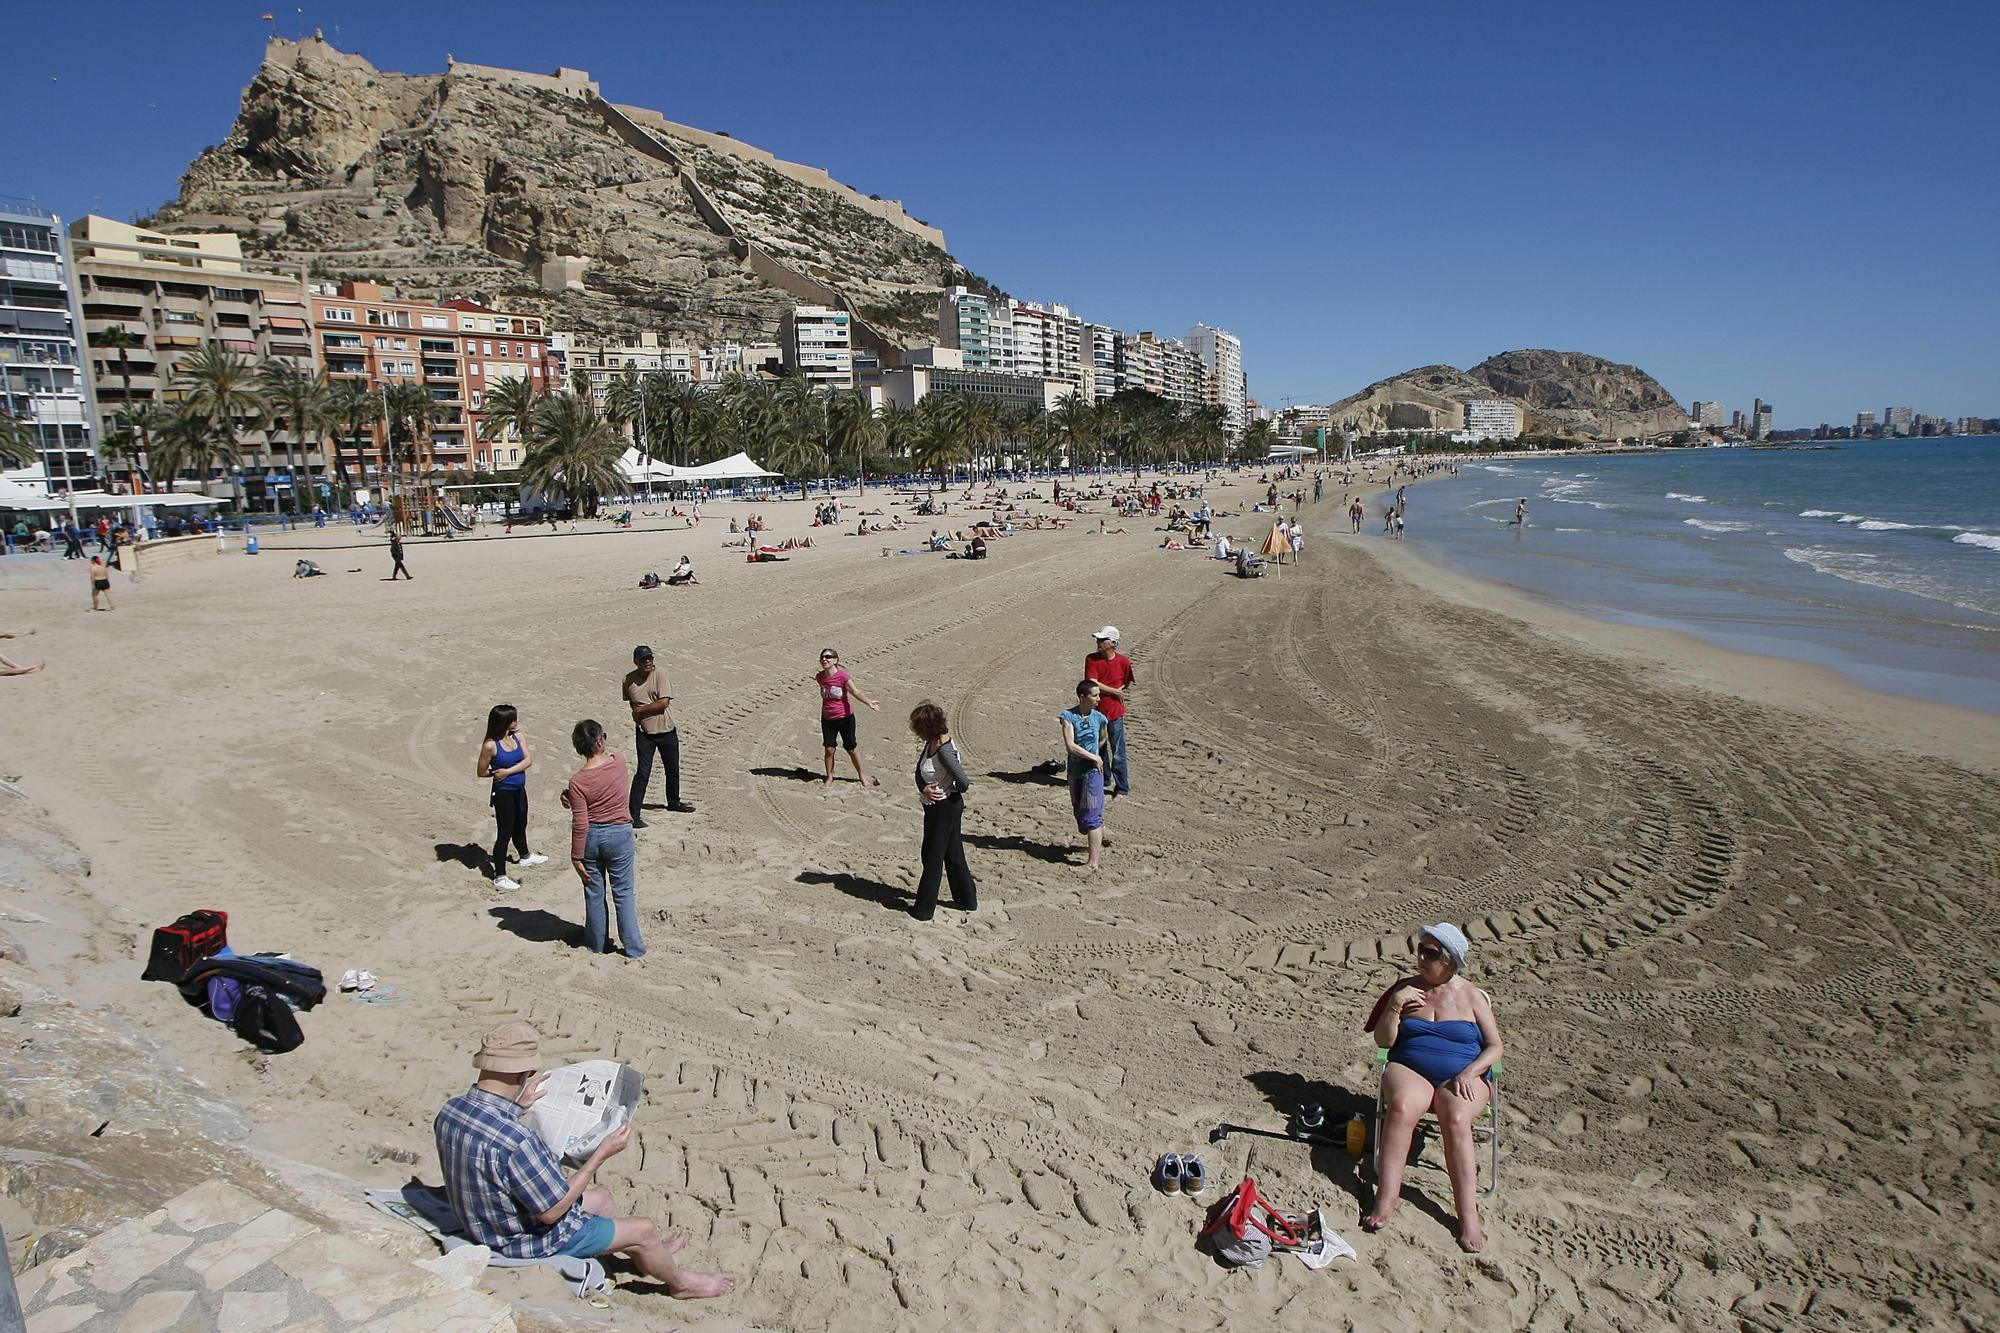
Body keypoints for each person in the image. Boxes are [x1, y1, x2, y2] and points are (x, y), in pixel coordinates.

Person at [435, 1022, 731, 1298]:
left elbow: (490, 1141)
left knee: (602, 1198)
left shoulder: (452, 1110)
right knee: (645, 1228)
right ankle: (680, 1283)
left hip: (485, 1222)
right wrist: (599, 1155)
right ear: (519, 1075)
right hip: (523, 1240)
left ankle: (645, 1254)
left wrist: (517, 1106)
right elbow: (551, 1212)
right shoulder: (516, 1141)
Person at [1362, 923, 1503, 1252]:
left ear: (1452, 961)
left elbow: (1496, 1046)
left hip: (1463, 1074)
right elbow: (1383, 1042)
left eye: (1431, 953)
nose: (1421, 957)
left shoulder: (1472, 996)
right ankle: (1387, 1197)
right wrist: (1395, 1004)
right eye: (1420, 949)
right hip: (1410, 1067)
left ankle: (1468, 1215)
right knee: (1400, 1107)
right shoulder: (1406, 990)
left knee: (1454, 1117)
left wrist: (1471, 1072)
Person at [561, 719, 644, 957]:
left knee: (594, 893)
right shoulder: (618, 762)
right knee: (623, 892)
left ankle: (596, 945)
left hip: (591, 838)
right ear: (599, 742)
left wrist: (576, 856)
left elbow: (580, 821)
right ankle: (634, 948)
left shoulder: (577, 782)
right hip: (618, 834)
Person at [908, 701, 976, 920]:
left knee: (933, 857)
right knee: (953, 854)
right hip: (938, 807)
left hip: (945, 808)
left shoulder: (945, 751)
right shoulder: (931, 743)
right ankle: (967, 899)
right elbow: (919, 772)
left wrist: (946, 791)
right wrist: (924, 788)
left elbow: (964, 783)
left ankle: (924, 909)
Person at [478, 704, 548, 891]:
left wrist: (507, 771)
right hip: (503, 793)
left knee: (521, 823)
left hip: (519, 789)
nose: (517, 722)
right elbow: (481, 771)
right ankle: (500, 875)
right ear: (504, 723)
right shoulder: (491, 745)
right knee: (505, 832)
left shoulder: (518, 736)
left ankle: (525, 856)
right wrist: (496, 774)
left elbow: (528, 760)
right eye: (513, 719)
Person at [624, 646, 693, 825]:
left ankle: (674, 802)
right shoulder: (628, 680)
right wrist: (637, 713)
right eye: (643, 659)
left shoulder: (661, 674)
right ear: (635, 662)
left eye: (650, 658)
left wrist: (640, 711)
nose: (648, 662)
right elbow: (631, 700)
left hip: (666, 731)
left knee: (672, 770)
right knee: (643, 773)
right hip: (645, 734)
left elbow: (663, 703)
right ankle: (634, 814)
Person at [1060, 680, 1111, 875]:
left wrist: (1095, 755)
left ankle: (1092, 863)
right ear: (1083, 697)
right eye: (1095, 695)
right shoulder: (1068, 716)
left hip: (1093, 773)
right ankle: (1099, 834)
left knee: (1091, 816)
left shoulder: (1099, 718)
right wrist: (1093, 755)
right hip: (1076, 770)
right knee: (1080, 813)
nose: (1099, 699)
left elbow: (1103, 737)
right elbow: (1070, 745)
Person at [813, 648, 882, 788]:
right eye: (822, 657)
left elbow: (855, 691)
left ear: (835, 660)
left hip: (845, 718)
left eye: (828, 657)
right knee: (829, 749)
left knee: (851, 748)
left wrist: (869, 702)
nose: (824, 659)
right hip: (827, 718)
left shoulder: (843, 676)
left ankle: (862, 776)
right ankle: (829, 777)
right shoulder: (819, 677)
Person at [1084, 627, 1134, 800]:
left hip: (1114, 712)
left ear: (1113, 643)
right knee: (1100, 748)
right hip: (1096, 712)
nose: (1098, 643)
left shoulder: (1123, 661)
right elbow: (1092, 683)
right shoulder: (1091, 659)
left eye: (1102, 640)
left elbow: (1126, 682)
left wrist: (1116, 692)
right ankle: (1104, 780)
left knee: (1118, 752)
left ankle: (1121, 788)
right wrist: (1114, 691)